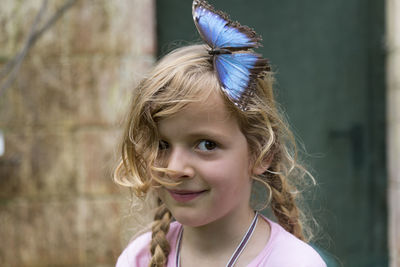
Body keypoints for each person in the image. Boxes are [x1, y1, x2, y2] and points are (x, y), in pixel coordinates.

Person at [114, 1, 327, 266]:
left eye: (206, 144)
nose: (175, 168)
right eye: (162, 145)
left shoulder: (294, 262)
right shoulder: (138, 258)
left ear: (261, 153)